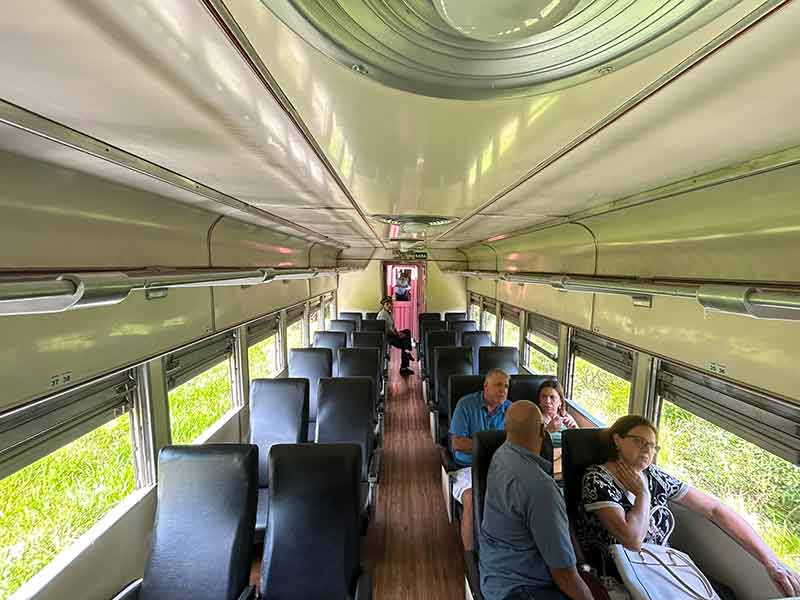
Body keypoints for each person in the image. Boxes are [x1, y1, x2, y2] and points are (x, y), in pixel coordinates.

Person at [577, 415, 800, 597]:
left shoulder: (655, 476)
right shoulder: (597, 479)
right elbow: (632, 540)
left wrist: (770, 561)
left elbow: (714, 509)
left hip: (660, 566)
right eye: (639, 441)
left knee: (725, 593)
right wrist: (642, 494)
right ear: (617, 440)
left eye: (653, 446)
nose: (647, 449)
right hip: (620, 573)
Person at [480, 401, 593, 600]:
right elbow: (564, 574)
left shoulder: (500, 455)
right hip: (523, 589)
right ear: (543, 431)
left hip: (495, 570)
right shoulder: (541, 488)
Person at [450, 368, 512, 551]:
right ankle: (471, 557)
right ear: (486, 386)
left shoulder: (511, 409)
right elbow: (458, 443)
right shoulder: (466, 405)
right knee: (470, 498)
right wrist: (488, 447)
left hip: (502, 467)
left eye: (506, 386)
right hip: (468, 467)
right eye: (498, 385)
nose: (503, 390)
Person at [376, 295, 415, 375]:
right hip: (387, 337)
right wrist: (397, 335)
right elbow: (386, 331)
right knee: (405, 343)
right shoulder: (382, 315)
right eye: (387, 304)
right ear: (384, 305)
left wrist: (398, 333)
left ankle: (407, 353)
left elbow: (393, 327)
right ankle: (404, 366)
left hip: (392, 334)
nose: (390, 305)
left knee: (407, 332)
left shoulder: (388, 313)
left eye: (390, 303)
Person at [536, 380, 578, 449]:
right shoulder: (534, 418)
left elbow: (579, 442)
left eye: (552, 397)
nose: (547, 401)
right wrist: (547, 431)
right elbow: (531, 447)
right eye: (544, 396)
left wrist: (574, 431)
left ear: (560, 402)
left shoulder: (567, 417)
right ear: (539, 400)